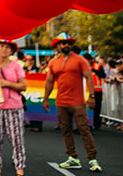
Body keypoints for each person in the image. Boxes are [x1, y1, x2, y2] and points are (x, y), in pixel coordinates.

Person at [43, 33, 102, 172]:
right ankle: (73, 158)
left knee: (84, 129)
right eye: (63, 43)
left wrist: (92, 96)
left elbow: (89, 77)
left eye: (68, 43)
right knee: (66, 130)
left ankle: (92, 159)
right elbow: (49, 82)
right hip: (61, 102)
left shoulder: (80, 59)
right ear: (57, 46)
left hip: (78, 103)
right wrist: (45, 98)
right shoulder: (53, 62)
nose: (66, 45)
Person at [0, 39, 26, 176]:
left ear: (11, 51)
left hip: (13, 106)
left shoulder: (16, 66)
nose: (4, 49)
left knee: (16, 138)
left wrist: (7, 83)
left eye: (7, 47)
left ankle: (19, 166)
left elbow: (23, 86)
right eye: (1, 46)